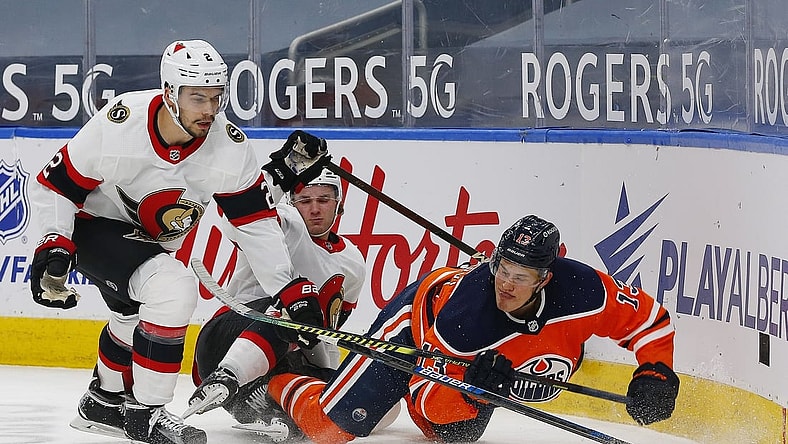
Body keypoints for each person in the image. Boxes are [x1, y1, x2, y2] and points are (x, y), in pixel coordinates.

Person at [28, 39, 332, 444]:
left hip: (150, 240)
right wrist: (54, 241)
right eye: (197, 98)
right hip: (93, 225)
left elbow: (253, 220)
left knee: (132, 315)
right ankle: (147, 414)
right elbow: (58, 185)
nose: (208, 110)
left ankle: (102, 403)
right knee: (172, 287)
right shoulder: (121, 124)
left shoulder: (229, 146)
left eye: (216, 97)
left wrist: (289, 288)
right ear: (170, 93)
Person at [262, 214, 680, 443]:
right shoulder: (465, 318)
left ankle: (361, 390)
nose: (505, 284)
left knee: (457, 438)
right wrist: (477, 391)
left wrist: (655, 372)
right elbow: (427, 401)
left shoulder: (586, 290)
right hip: (415, 328)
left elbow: (651, 323)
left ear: (546, 278)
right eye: (503, 268)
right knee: (326, 430)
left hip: (468, 368)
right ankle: (280, 376)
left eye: (521, 275)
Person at [185, 168, 366, 440]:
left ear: (339, 204)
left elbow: (326, 335)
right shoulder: (282, 224)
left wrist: (330, 378)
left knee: (344, 400)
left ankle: (272, 414)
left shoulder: (353, 262)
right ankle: (226, 376)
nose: (314, 209)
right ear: (292, 203)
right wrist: (285, 171)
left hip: (278, 361)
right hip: (227, 338)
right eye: (305, 200)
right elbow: (236, 216)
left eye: (324, 200)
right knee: (294, 305)